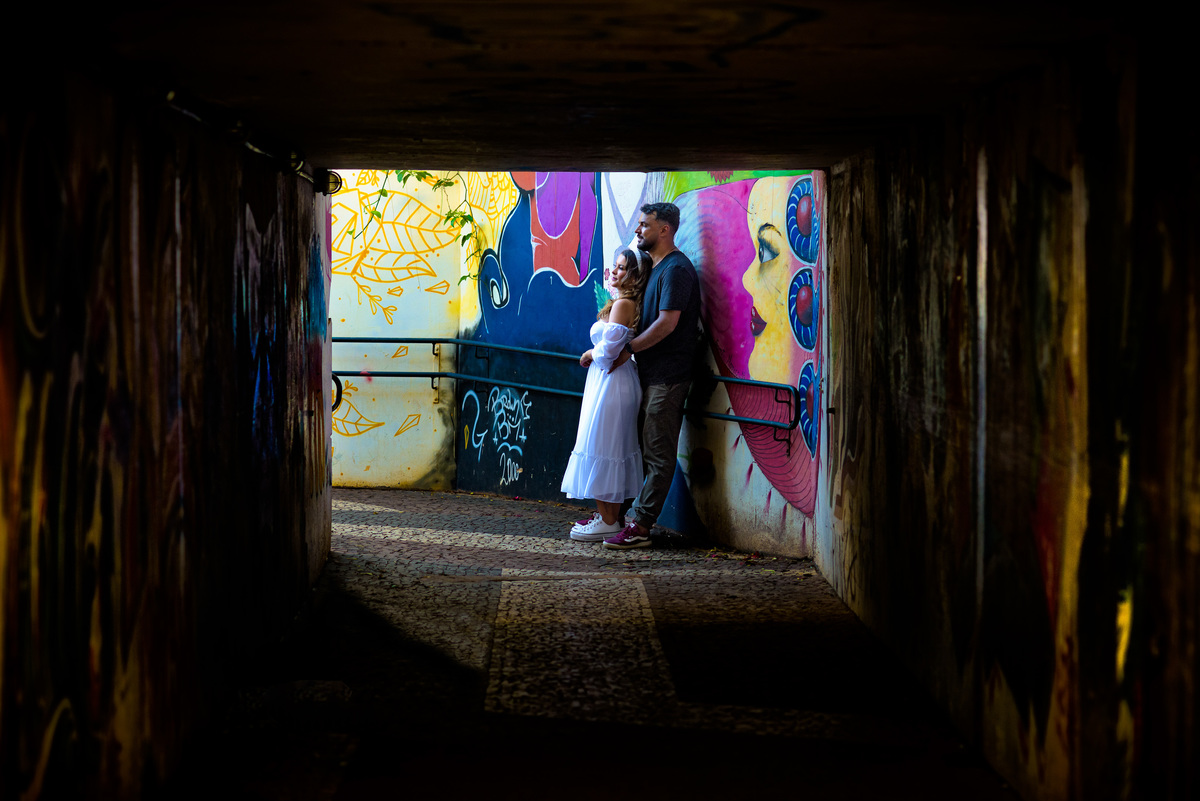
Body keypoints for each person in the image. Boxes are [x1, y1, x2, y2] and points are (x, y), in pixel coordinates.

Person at [602, 202, 701, 550]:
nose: (638, 230)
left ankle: (641, 526)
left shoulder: (676, 269)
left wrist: (630, 350)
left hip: (668, 376)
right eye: (639, 224)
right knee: (645, 449)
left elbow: (667, 323)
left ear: (665, 229)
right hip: (650, 375)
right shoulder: (656, 267)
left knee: (658, 453)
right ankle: (624, 518)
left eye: (645, 225)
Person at [561, 249, 652, 541]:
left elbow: (609, 353)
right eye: (615, 266)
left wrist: (589, 352)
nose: (614, 272)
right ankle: (609, 515)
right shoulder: (622, 302)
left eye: (622, 268)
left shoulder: (623, 304)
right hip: (608, 381)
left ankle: (610, 519)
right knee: (606, 445)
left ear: (635, 276)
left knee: (603, 444)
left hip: (612, 383)